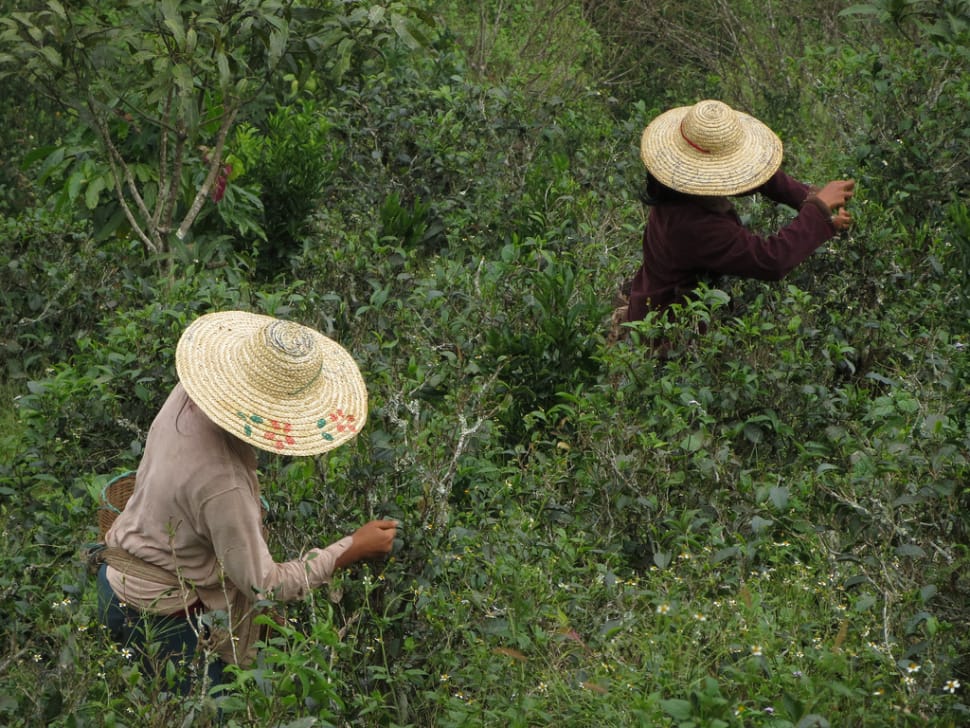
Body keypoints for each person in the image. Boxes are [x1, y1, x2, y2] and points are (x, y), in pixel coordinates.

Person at [97, 310, 398, 691]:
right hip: (162, 621)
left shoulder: (193, 391)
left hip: (115, 583)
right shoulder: (223, 483)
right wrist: (351, 548)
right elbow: (265, 586)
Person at [621, 99, 855, 330]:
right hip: (667, 336)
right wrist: (818, 208)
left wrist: (810, 200)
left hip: (650, 304)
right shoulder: (694, 226)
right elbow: (772, 260)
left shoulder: (673, 186)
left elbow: (756, 175)